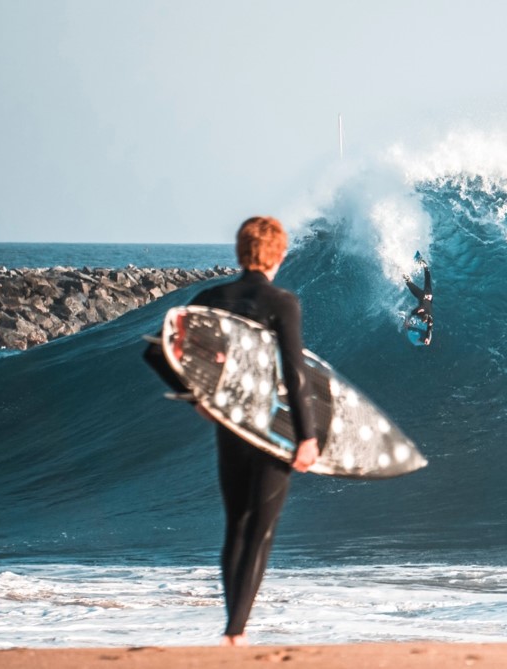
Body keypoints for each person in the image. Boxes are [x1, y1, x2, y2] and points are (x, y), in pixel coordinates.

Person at [184, 216, 319, 646]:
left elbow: (162, 351)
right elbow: (295, 375)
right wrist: (307, 436)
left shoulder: (211, 297)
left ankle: (233, 627)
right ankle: (235, 632)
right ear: (278, 254)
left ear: (241, 251)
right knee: (260, 531)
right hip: (269, 429)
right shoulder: (282, 302)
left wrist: (197, 399)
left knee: (235, 527)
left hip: (230, 426)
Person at [403, 259, 433, 346]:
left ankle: (426, 267)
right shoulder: (419, 310)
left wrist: (428, 338)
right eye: (423, 320)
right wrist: (407, 322)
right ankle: (401, 271)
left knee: (428, 281)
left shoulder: (430, 319)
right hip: (423, 296)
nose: (423, 322)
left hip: (429, 297)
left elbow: (429, 329)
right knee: (409, 284)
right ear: (421, 314)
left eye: (424, 321)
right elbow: (411, 313)